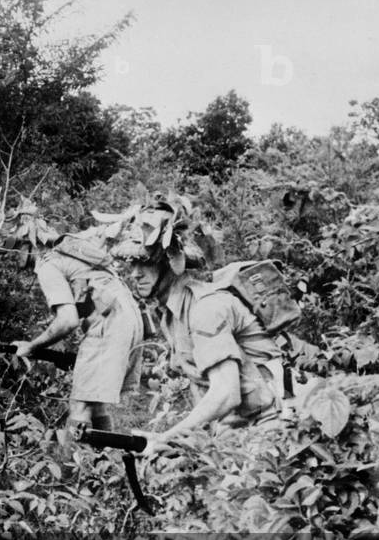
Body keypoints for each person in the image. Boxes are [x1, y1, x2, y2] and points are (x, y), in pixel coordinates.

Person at [108, 193, 283, 457]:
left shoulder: (205, 308)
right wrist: (180, 441)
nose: (135, 273)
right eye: (132, 263)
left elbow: (227, 393)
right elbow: (206, 393)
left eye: (146, 263)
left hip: (271, 427)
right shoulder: (172, 314)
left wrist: (168, 437)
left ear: (169, 262)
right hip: (232, 432)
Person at [7, 200, 144, 441]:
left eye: (12, 249)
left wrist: (32, 346)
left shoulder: (47, 264)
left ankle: (72, 471)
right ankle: (103, 466)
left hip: (110, 321)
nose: (11, 258)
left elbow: (67, 321)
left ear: (27, 245)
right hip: (128, 314)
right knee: (95, 402)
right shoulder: (67, 249)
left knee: (79, 406)